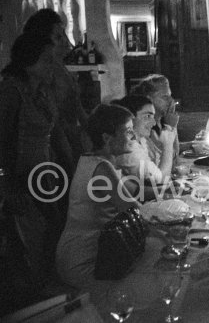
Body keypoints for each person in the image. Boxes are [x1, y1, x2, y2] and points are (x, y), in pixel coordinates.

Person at [0, 34, 64, 286]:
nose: (53, 65)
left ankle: (45, 289)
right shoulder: (10, 91)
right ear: (27, 62)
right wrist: (6, 186)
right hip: (20, 177)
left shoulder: (42, 91)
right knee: (33, 239)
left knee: (51, 232)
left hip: (44, 175)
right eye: (47, 60)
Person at [56, 104, 141, 288]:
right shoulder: (101, 168)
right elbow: (135, 212)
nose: (134, 136)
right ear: (107, 138)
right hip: (85, 260)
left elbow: (132, 191)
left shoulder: (92, 159)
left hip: (91, 253)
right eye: (128, 131)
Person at [23, 8, 89, 166]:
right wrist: (68, 156)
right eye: (58, 37)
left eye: (63, 35)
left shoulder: (61, 69)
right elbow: (55, 121)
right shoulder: (43, 74)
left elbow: (77, 109)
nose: (66, 42)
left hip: (73, 142)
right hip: (55, 152)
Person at [113, 95, 177, 184]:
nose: (154, 123)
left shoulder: (140, 140)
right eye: (147, 116)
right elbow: (161, 180)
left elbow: (161, 169)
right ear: (130, 118)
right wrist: (168, 145)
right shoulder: (128, 148)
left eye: (153, 117)